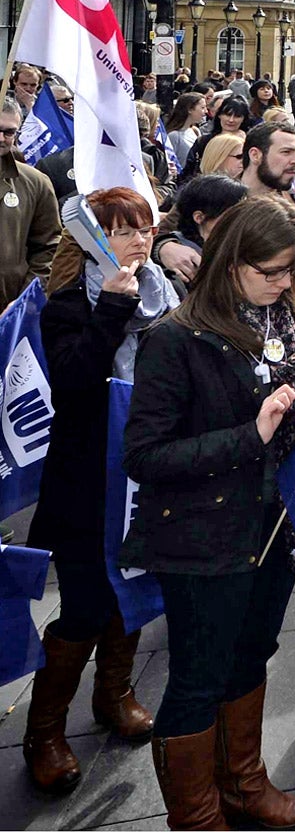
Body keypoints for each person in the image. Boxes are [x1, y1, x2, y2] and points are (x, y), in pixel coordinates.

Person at [121, 198, 295, 830]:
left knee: (252, 654)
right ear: (231, 263)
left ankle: (244, 784)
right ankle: (196, 815)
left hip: (268, 530)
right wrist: (252, 433)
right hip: (203, 539)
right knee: (197, 678)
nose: (284, 284)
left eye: (292, 271)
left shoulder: (281, 318)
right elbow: (146, 456)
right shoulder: (174, 339)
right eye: (272, 271)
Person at [20, 189, 171, 792]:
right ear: (90, 241)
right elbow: (76, 385)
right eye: (123, 231)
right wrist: (111, 308)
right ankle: (45, 732)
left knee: (131, 587)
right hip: (87, 482)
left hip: (147, 474)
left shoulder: (164, 297)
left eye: (146, 229)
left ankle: (114, 694)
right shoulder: (66, 306)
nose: (140, 241)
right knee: (82, 606)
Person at [0, 97, 60, 309]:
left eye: (9, 132)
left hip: (9, 310)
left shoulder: (36, 182)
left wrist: (25, 300)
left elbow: (49, 246)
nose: (1, 138)